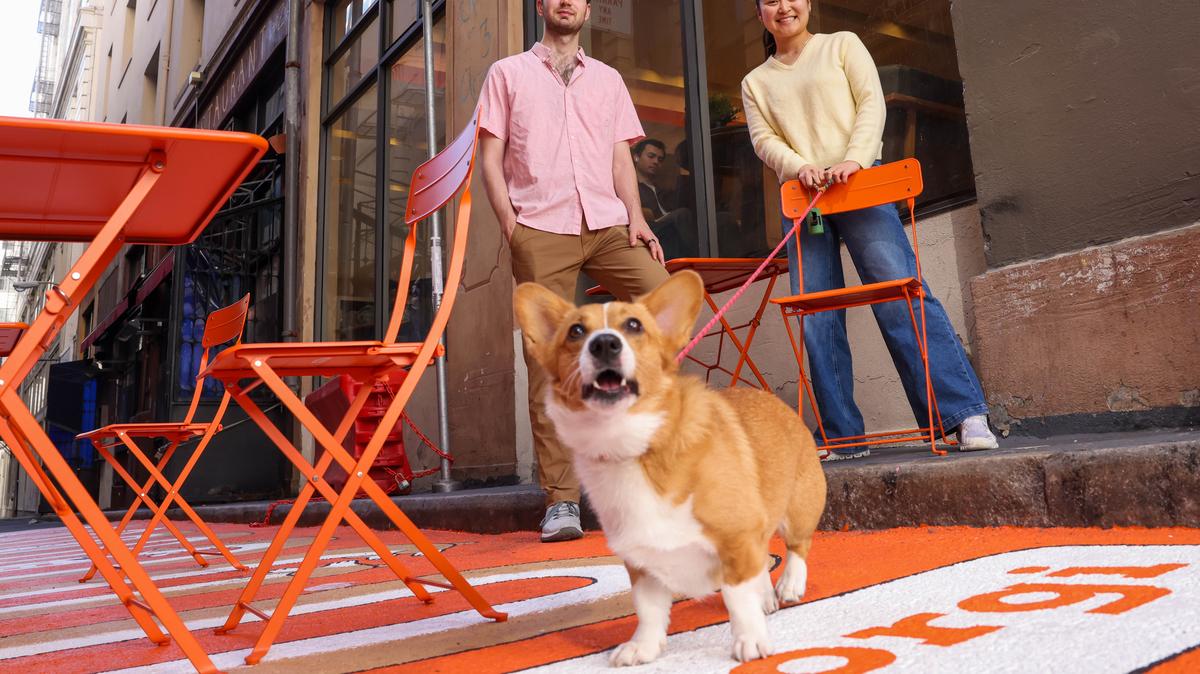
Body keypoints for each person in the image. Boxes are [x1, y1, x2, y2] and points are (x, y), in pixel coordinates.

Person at [741, 0, 998, 459]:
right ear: (759, 14)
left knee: (902, 295)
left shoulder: (842, 45)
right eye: (770, 1)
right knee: (816, 315)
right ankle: (842, 435)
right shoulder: (755, 82)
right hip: (805, 200)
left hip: (861, 183)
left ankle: (964, 416)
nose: (785, 6)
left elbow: (870, 103)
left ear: (809, 3)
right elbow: (764, 140)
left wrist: (854, 159)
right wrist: (801, 167)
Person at [478, 0, 669, 541]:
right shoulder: (507, 74)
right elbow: (490, 158)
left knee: (661, 305)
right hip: (540, 226)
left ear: (588, 8)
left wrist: (636, 217)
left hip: (607, 224)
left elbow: (619, 158)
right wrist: (512, 225)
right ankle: (561, 500)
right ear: (542, 5)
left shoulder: (607, 80)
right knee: (547, 361)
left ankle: (643, 456)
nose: (567, 1)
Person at [632, 138, 695, 259]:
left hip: (673, 229)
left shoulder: (664, 190)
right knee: (682, 214)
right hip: (650, 230)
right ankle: (696, 254)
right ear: (636, 157)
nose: (656, 161)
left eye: (660, 159)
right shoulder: (632, 187)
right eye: (651, 156)